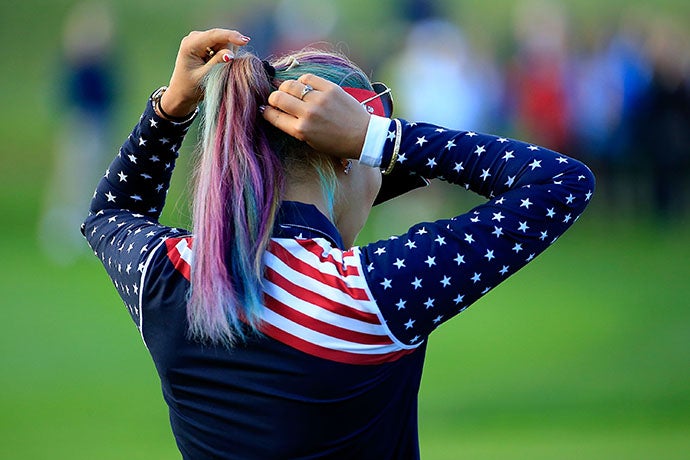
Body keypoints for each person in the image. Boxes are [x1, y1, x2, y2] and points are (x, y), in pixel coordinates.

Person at [82, 28, 594, 459]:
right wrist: (382, 139)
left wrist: (171, 109)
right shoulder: (367, 294)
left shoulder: (169, 276)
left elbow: (109, 213)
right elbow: (561, 181)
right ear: (345, 157)